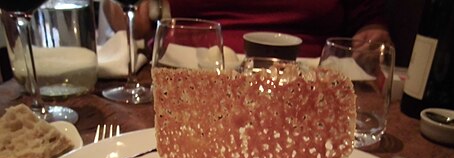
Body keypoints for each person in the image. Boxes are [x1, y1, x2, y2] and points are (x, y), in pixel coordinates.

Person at [103, 0, 391, 57]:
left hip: (307, 86)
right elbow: (137, 23)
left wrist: (372, 33)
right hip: (186, 79)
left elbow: (368, 16)